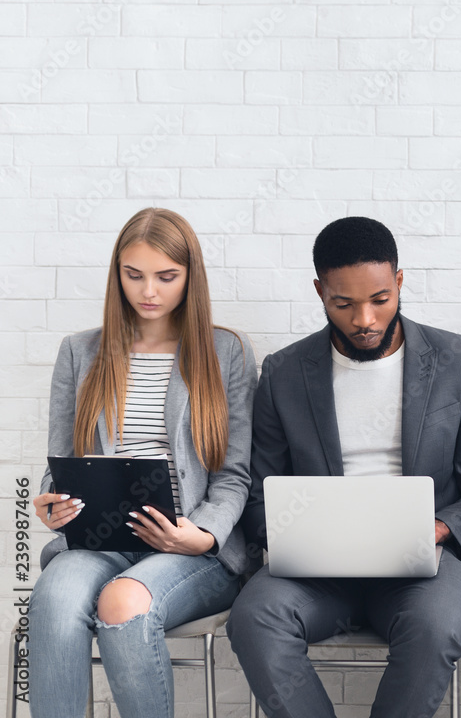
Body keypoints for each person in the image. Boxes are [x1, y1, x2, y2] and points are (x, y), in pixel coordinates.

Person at [228, 216, 461, 718]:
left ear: (399, 282)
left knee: (434, 626)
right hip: (317, 573)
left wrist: (440, 528)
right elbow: (255, 493)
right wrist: (297, 535)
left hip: (422, 567)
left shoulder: (456, 359)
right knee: (254, 618)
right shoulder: (284, 372)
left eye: (380, 299)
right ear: (319, 291)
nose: (365, 319)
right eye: (344, 303)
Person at [29, 207, 257, 718]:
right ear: (117, 276)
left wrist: (200, 535)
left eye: (166, 277)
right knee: (54, 598)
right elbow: (59, 464)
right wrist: (52, 503)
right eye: (133, 275)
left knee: (124, 604)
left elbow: (235, 475)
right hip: (101, 539)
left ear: (189, 277)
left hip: (190, 549)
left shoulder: (228, 352)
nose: (148, 291)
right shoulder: (78, 352)